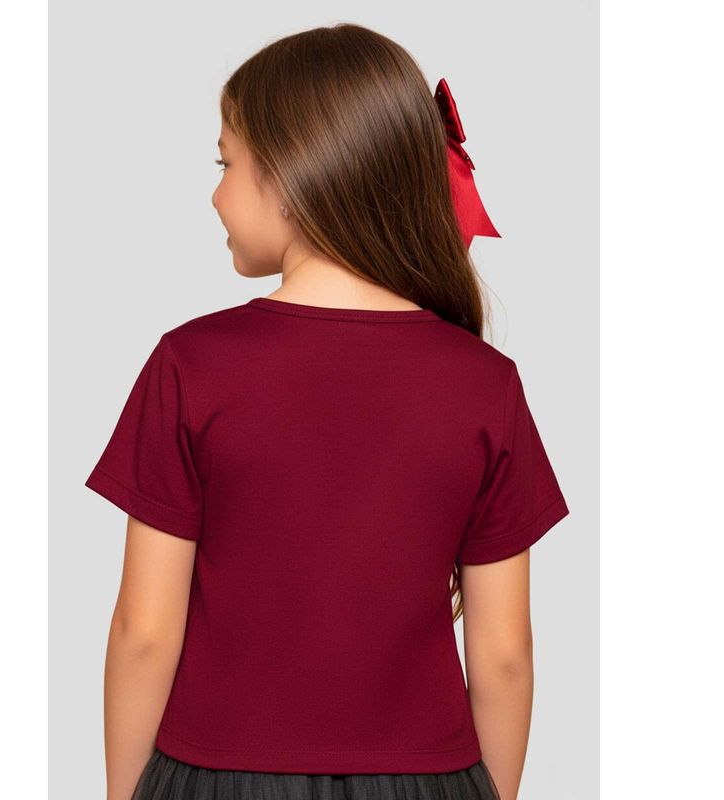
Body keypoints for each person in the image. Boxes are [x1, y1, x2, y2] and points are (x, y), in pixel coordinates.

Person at [84, 23, 570, 800]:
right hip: (427, 781)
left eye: (225, 163)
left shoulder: (192, 364)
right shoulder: (486, 383)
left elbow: (143, 634)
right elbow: (506, 656)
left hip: (219, 780)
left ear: (289, 173)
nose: (215, 194)